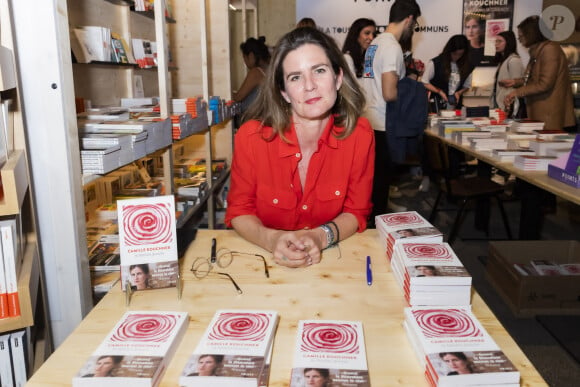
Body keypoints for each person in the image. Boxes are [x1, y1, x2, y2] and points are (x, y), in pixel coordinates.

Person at [225, 27, 374, 269]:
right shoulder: (250, 137)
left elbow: (356, 212)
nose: (309, 86)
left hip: (333, 263)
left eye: (319, 71)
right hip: (263, 261)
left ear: (338, 78)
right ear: (283, 91)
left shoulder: (360, 134)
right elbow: (239, 210)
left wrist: (320, 236)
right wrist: (272, 239)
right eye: (295, 77)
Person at [362, 0, 422, 224]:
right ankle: (374, 234)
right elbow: (389, 93)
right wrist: (412, 91)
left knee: (374, 183)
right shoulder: (392, 47)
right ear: (409, 19)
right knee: (380, 186)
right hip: (384, 123)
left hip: (371, 120)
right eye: (414, 24)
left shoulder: (375, 43)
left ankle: (371, 228)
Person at [504, 16, 575, 131]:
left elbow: (545, 84)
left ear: (531, 34)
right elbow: (533, 78)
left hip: (549, 114)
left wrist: (517, 92)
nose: (519, 39)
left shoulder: (549, 50)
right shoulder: (539, 50)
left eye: (521, 36)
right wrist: (515, 82)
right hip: (540, 111)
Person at [422, 34, 473, 111]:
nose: (457, 57)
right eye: (454, 54)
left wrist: (459, 93)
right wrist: (439, 91)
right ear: (449, 51)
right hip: (437, 105)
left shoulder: (467, 66)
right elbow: (424, 82)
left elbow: (467, 86)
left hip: (456, 108)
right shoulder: (436, 63)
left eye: (460, 54)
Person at [233, 36, 271, 114]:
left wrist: (227, 93)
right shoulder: (269, 69)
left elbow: (238, 97)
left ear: (250, 56)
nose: (245, 62)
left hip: (254, 119)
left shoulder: (256, 72)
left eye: (245, 58)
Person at [490, 31, 524, 111]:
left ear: (508, 43)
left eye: (500, 41)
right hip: (499, 102)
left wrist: (509, 103)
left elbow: (517, 85)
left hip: (508, 103)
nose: (496, 44)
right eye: (496, 41)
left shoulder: (514, 60)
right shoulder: (503, 61)